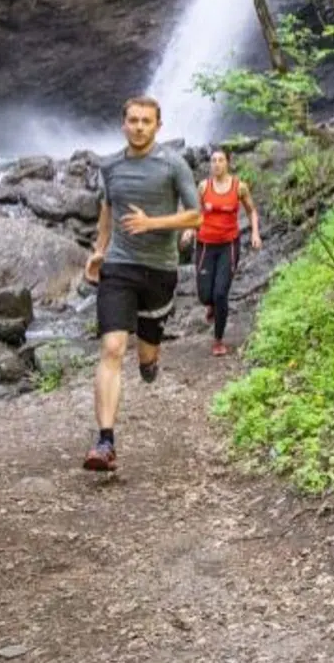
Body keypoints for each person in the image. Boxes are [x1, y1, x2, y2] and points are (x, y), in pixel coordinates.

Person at [82, 96, 202, 472]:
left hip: (160, 270)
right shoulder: (110, 166)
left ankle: (150, 362)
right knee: (113, 347)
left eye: (146, 121)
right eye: (132, 120)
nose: (138, 127)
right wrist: (99, 250)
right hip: (119, 265)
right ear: (123, 124)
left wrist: (152, 224)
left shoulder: (172, 164)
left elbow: (196, 215)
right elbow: (108, 209)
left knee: (145, 355)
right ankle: (105, 442)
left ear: (158, 126)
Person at [184, 149, 262, 358]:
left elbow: (251, 211)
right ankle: (210, 306)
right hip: (205, 245)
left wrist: (255, 233)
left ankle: (218, 340)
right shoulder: (203, 187)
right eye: (213, 161)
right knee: (204, 295)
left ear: (227, 163)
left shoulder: (239, 187)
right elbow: (195, 212)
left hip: (229, 245)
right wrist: (190, 230)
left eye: (220, 160)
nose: (216, 164)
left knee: (220, 293)